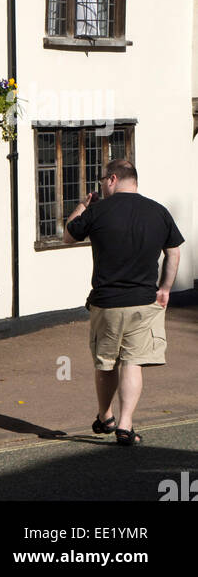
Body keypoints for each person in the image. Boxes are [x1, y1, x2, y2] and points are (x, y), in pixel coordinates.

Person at [64, 158, 183, 446]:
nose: (102, 186)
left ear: (113, 179)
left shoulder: (98, 211)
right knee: (133, 362)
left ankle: (105, 416)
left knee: (106, 363)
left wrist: (83, 205)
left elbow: (69, 235)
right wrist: (165, 289)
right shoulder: (158, 212)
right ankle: (126, 425)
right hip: (144, 301)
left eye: (103, 181)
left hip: (106, 303)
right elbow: (174, 252)